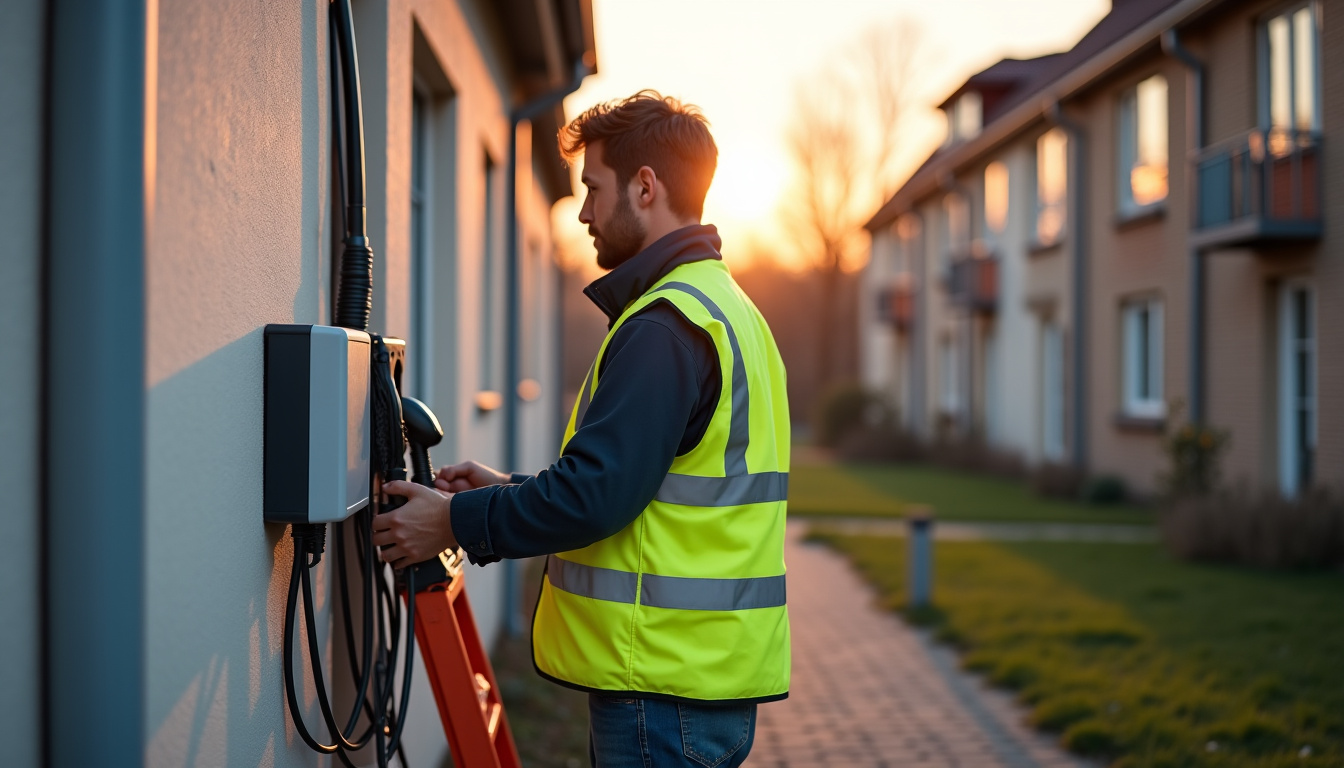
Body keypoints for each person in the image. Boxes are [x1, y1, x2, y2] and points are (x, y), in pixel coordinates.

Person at [375, 91, 790, 768]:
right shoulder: (728, 309)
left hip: (659, 690)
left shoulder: (664, 325)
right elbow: (645, 489)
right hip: (696, 681)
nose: (585, 211)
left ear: (646, 187)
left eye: (594, 188)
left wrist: (453, 522)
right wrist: (504, 489)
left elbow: (597, 496)